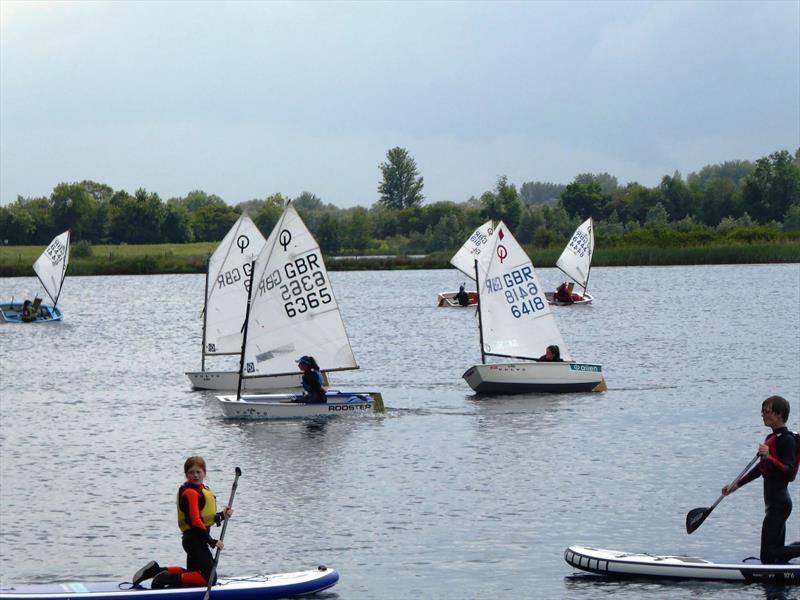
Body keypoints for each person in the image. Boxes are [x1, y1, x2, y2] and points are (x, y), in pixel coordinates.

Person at [131, 456, 234, 588]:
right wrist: (212, 541)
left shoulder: (202, 490)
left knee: (193, 574)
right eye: (191, 472)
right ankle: (167, 578)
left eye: (198, 472)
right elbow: (195, 522)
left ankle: (156, 570)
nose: (195, 475)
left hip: (195, 539)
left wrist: (222, 515)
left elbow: (204, 518)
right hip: (195, 541)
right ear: (186, 475)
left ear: (204, 473)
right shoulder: (190, 493)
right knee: (209, 579)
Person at [721, 395, 800, 564]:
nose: (763, 415)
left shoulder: (787, 441)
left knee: (769, 555)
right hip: (773, 504)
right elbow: (761, 469)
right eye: (762, 411)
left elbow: (789, 472)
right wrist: (736, 485)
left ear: (779, 414)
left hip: (779, 503)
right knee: (773, 556)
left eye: (767, 411)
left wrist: (770, 457)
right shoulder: (772, 439)